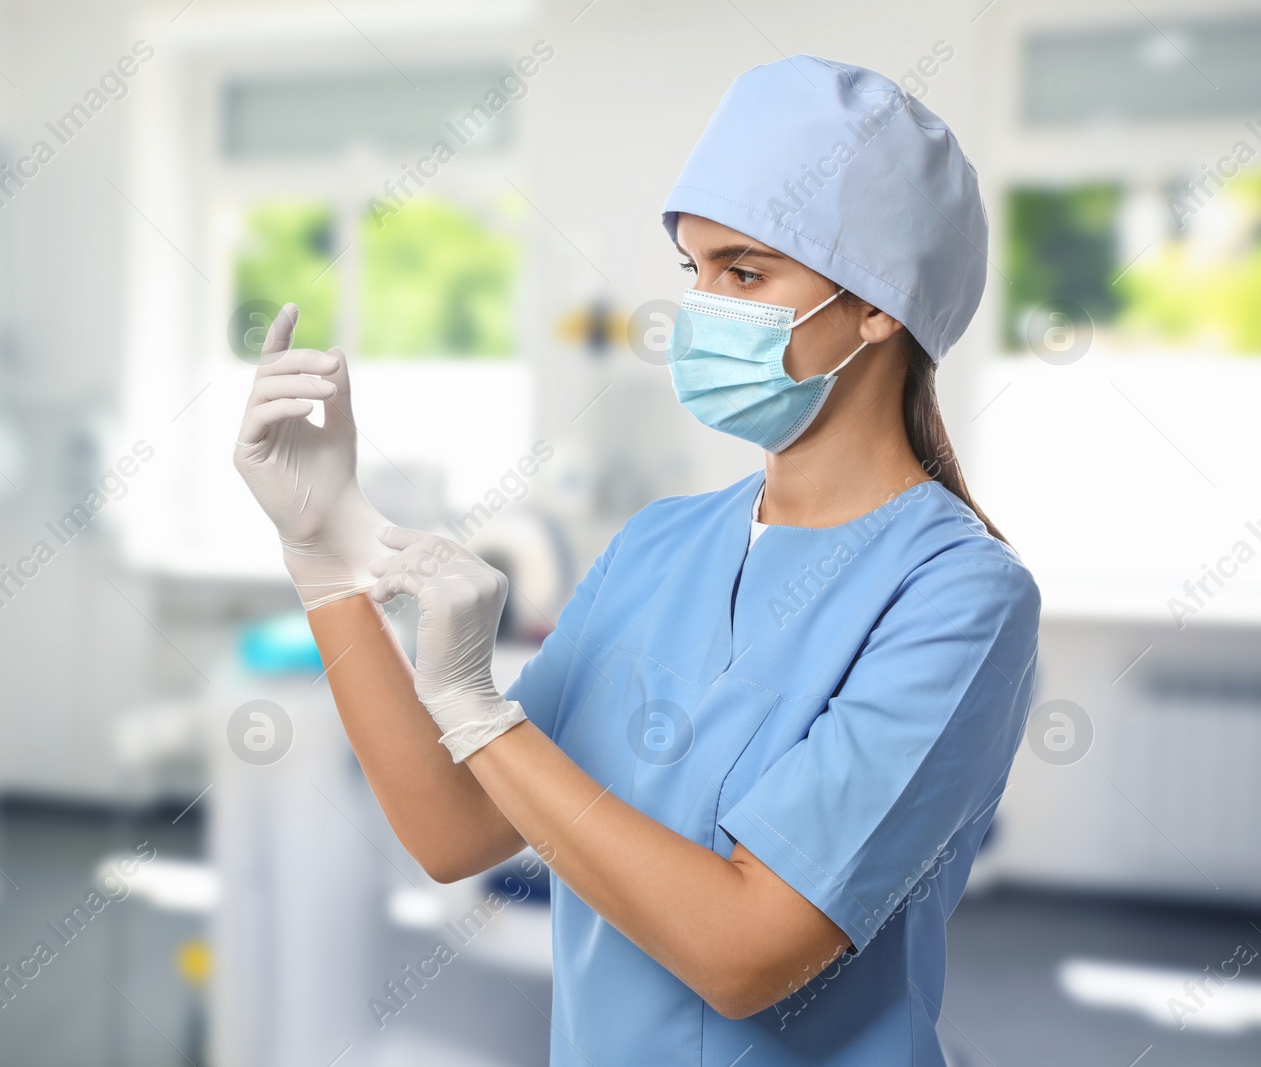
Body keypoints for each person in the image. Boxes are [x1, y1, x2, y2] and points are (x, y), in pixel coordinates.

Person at [234, 54, 1039, 1066]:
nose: (701, 310)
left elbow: (746, 949)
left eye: (744, 272)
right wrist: (326, 558)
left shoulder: (959, 595)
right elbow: (455, 831)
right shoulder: (662, 542)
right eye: (692, 271)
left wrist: (480, 708)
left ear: (880, 303)